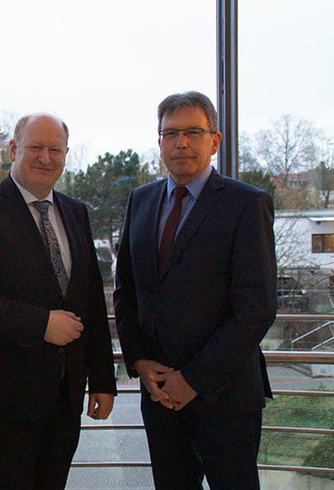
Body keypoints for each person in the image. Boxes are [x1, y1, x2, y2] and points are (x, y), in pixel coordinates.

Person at [0, 113, 117, 489]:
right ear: (13, 150)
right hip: (3, 397)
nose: (46, 157)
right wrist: (41, 325)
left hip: (65, 396)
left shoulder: (76, 212)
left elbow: (90, 301)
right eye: (35, 147)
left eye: (55, 149)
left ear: (66, 154)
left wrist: (103, 379)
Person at [114, 91, 277, 489]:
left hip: (225, 396)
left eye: (192, 132)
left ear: (215, 140)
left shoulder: (246, 204)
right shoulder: (141, 200)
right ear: (159, 143)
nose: (180, 143)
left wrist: (193, 379)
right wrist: (139, 361)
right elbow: (126, 290)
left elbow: (256, 308)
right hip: (159, 395)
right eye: (170, 134)